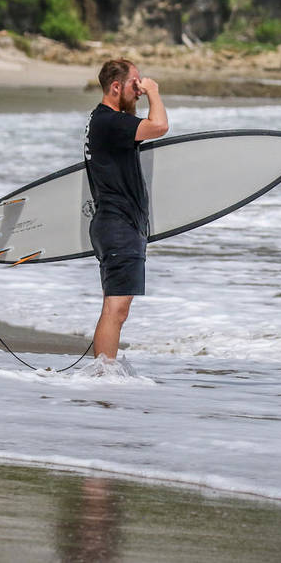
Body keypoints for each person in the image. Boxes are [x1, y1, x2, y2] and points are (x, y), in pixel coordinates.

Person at [83, 58, 168, 359]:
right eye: (136, 84)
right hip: (118, 225)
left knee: (117, 306)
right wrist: (155, 91)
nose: (141, 90)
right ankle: (103, 374)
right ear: (116, 87)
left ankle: (103, 371)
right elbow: (159, 126)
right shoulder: (110, 122)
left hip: (114, 223)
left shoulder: (102, 121)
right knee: (116, 308)